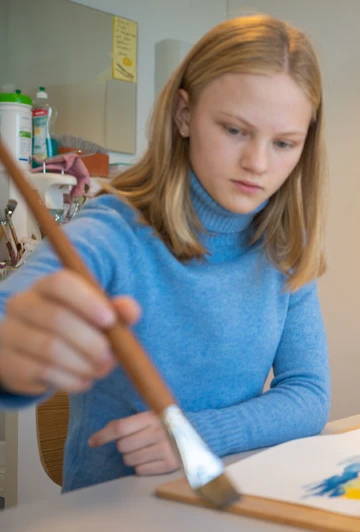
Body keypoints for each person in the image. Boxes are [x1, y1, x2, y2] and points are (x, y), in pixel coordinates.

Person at [0, 14, 331, 491]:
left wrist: (196, 435)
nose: (257, 163)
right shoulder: (112, 233)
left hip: (224, 502)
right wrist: (14, 354)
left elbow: (309, 394)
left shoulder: (284, 248)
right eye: (234, 130)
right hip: (114, 512)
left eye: (283, 143)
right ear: (183, 114)